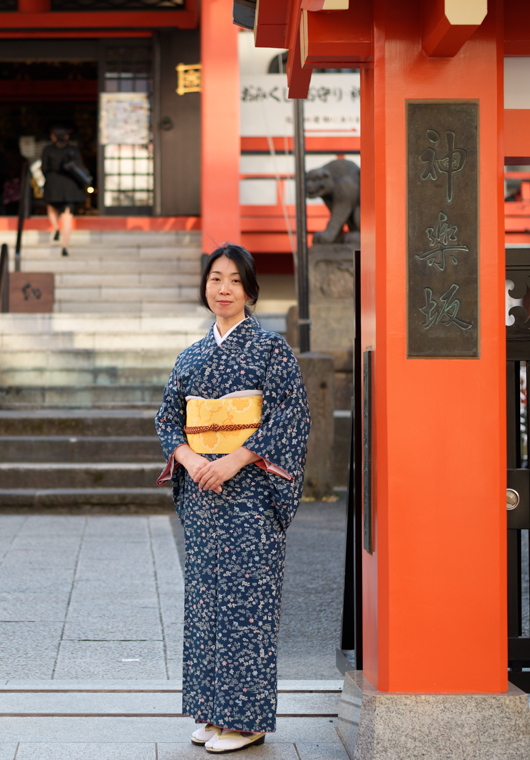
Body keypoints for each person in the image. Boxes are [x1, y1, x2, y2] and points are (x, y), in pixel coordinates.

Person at [155, 244, 310, 755]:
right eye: (215, 279)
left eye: (234, 281)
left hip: (249, 495)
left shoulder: (271, 350)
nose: (223, 289)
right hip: (203, 495)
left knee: (247, 603)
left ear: (249, 291)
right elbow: (167, 419)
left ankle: (245, 721)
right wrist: (190, 458)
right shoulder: (191, 356)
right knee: (204, 602)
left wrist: (235, 459)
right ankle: (209, 710)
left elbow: (289, 416)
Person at [40, 126, 87, 257]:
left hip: (53, 183)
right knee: (67, 216)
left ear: (53, 137)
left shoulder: (47, 150)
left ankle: (56, 228)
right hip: (70, 185)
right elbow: (80, 167)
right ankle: (65, 245)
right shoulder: (72, 150)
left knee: (51, 207)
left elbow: (44, 168)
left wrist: (50, 177)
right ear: (66, 137)